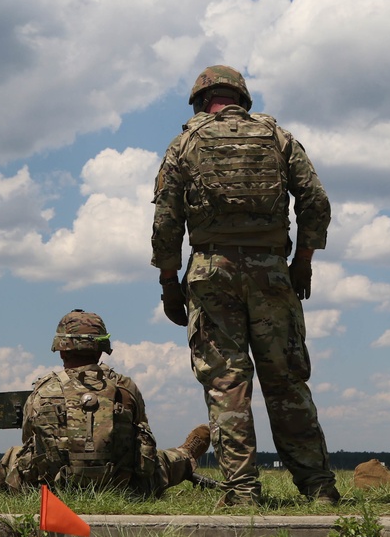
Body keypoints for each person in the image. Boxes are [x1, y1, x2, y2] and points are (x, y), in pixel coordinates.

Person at [151, 65, 340, 506]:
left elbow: (165, 221)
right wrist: (303, 260)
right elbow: (316, 202)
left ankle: (242, 492)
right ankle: (319, 488)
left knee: (226, 384)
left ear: (200, 101)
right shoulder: (279, 137)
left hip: (210, 273)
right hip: (273, 271)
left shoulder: (185, 143)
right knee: (287, 381)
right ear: (242, 99)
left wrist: (168, 281)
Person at [0, 309, 211, 498]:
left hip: (53, 490)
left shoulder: (42, 391)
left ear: (61, 351)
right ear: (101, 350)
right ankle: (186, 454)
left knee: (14, 454)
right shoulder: (126, 388)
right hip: (124, 487)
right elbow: (142, 437)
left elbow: (30, 440)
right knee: (163, 460)